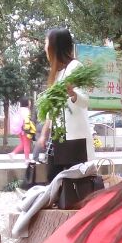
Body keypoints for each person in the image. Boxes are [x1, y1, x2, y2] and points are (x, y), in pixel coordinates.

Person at [37, 27, 94, 182]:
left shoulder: (75, 67)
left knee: (74, 185)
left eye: (46, 43)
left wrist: (72, 93)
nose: (45, 47)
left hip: (74, 141)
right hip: (59, 138)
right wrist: (44, 133)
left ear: (55, 46)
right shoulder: (57, 73)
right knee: (54, 182)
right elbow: (52, 108)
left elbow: (85, 100)